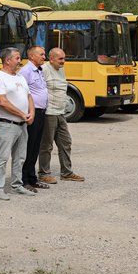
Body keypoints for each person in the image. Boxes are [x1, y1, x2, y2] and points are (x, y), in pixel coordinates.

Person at [0, 48, 35, 199]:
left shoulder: (20, 77)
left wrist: (31, 113)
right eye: (17, 58)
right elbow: (2, 101)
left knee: (20, 157)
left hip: (22, 124)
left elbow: (29, 96)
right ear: (8, 60)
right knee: (2, 157)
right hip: (7, 123)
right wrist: (22, 114)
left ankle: (17, 184)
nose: (20, 60)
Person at [40, 48, 86, 183]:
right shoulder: (44, 70)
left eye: (64, 58)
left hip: (61, 113)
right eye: (60, 59)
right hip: (49, 113)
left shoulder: (61, 69)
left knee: (66, 142)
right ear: (51, 58)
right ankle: (43, 173)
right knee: (46, 145)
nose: (63, 62)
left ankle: (66, 172)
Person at [19, 46, 51, 190]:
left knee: (35, 147)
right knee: (29, 146)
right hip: (32, 113)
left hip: (41, 112)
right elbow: (23, 93)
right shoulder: (26, 71)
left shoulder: (40, 70)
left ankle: (32, 178)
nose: (44, 57)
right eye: (41, 54)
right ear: (31, 56)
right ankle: (24, 179)